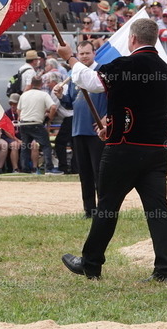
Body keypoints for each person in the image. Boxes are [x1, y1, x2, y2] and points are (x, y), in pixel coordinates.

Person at [57, 18, 167, 282]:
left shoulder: (127, 64)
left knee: (107, 207)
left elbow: (92, 82)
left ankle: (91, 263)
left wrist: (70, 59)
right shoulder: (165, 70)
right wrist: (111, 126)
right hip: (156, 150)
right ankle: (164, 271)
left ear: (132, 39)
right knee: (158, 211)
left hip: (124, 150)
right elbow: (145, 109)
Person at [56, 41, 107, 217]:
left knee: (99, 172)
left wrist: (107, 117)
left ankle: (104, 209)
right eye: (81, 53)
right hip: (78, 129)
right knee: (84, 173)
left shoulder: (101, 72)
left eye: (87, 53)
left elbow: (115, 98)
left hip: (98, 131)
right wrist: (61, 96)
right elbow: (71, 102)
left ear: (94, 53)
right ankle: (89, 210)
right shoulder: (74, 74)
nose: (84, 56)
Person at [17, 75, 56, 175]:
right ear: (41, 84)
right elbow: (53, 107)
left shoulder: (24, 95)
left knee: (25, 146)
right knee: (46, 145)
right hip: (36, 123)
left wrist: (21, 118)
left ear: (31, 84)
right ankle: (49, 168)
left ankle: (25, 169)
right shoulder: (44, 95)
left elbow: (18, 110)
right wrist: (50, 117)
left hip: (24, 123)